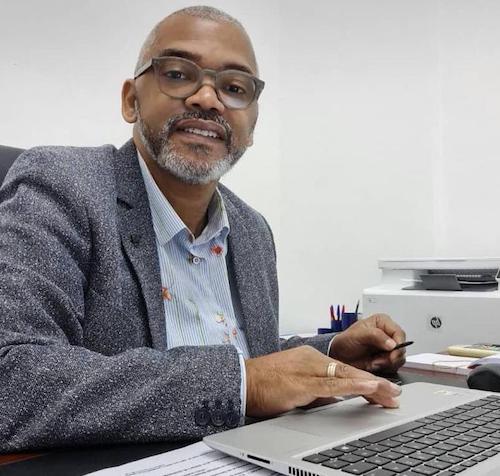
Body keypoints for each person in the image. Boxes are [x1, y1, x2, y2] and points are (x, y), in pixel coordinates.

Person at [0, 6, 406, 452]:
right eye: (178, 74)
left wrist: (332, 354)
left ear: (252, 125)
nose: (208, 99)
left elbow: (245, 353)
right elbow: (13, 376)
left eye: (234, 88)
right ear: (131, 100)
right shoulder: (62, 185)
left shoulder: (252, 230)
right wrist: (245, 384)